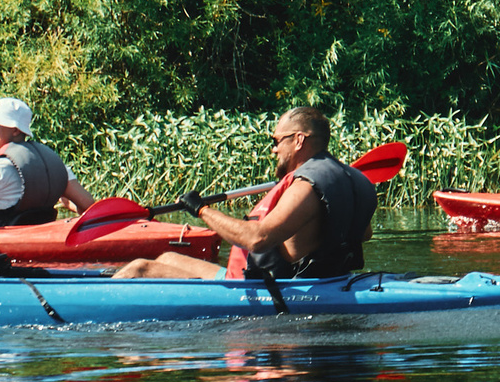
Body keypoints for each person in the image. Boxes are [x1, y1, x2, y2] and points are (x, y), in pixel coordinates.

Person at [111, 107, 377, 282]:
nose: (273, 150)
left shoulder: (305, 186)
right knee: (167, 259)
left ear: (298, 140)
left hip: (277, 288)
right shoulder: (353, 178)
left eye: (276, 141)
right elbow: (364, 234)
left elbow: (258, 239)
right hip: (328, 279)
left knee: (138, 269)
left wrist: (201, 210)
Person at [0, 96, 98, 227]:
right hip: (43, 239)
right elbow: (88, 205)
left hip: (5, 242)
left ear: (15, 130)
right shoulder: (56, 166)